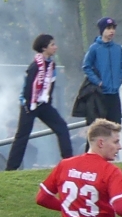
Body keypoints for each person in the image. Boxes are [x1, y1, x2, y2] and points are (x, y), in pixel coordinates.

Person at [6, 34, 74, 171]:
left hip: (44, 104)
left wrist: (47, 104)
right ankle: (10, 169)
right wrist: (28, 107)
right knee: (22, 136)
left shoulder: (51, 65)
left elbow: (50, 87)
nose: (55, 47)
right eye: (52, 45)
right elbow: (28, 88)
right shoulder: (35, 66)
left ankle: (69, 162)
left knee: (61, 127)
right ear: (44, 48)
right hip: (29, 105)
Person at [82, 20, 122, 120]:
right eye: (108, 28)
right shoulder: (94, 48)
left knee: (115, 124)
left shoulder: (118, 48)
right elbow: (86, 66)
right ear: (102, 30)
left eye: (113, 28)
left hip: (114, 93)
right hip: (100, 94)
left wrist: (119, 80)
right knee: (101, 125)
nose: (112, 31)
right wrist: (98, 82)